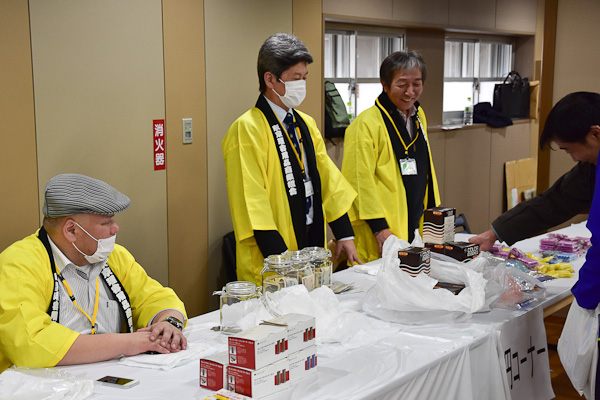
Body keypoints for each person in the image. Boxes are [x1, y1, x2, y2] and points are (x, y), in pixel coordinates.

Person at [0, 173, 188, 373]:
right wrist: (128, 343)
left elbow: (155, 298)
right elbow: (30, 341)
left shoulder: (114, 257)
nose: (115, 228)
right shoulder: (19, 264)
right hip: (46, 384)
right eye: (106, 222)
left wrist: (168, 323)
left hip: (112, 376)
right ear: (71, 230)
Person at [222, 33, 362, 285]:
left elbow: (329, 180)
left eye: (304, 78)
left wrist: (344, 233)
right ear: (270, 79)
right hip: (272, 256)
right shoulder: (247, 129)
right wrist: (284, 265)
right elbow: (252, 202)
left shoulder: (305, 123)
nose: (302, 84)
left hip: (309, 239)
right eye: (295, 78)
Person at [469, 92, 599, 256]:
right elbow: (555, 202)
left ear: (595, 134)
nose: (574, 159)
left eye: (569, 150)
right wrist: (494, 234)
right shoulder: (590, 166)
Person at [341, 51, 441, 262]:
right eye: (402, 85)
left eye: (417, 84)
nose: (410, 92)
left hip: (414, 220)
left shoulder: (418, 116)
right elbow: (358, 182)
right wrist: (380, 228)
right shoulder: (364, 125)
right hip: (382, 230)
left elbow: (426, 168)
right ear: (385, 85)